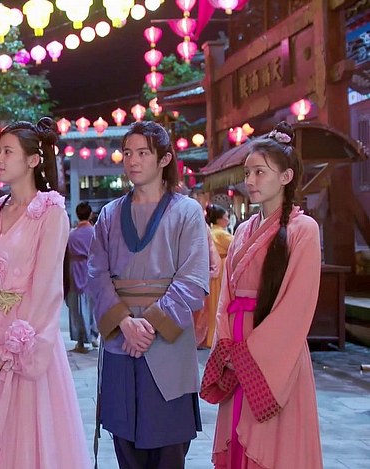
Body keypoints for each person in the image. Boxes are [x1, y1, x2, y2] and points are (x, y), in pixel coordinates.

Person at [0, 118, 91, 469]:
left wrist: (13, 348)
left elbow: (47, 288)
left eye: (8, 152)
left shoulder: (50, 213)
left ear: (33, 160)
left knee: (24, 433)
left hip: (26, 336)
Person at [200, 122, 323, 468]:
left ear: (286, 177)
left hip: (273, 355)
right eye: (247, 173)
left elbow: (296, 305)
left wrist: (249, 356)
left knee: (271, 442)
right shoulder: (242, 230)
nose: (250, 181)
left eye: (259, 172)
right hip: (236, 344)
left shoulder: (303, 229)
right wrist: (226, 345)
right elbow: (225, 295)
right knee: (237, 432)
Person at [88, 121, 208, 469]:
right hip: (120, 340)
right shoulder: (109, 214)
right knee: (125, 445)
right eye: (127, 153)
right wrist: (125, 323)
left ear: (165, 159)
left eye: (143, 153)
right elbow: (96, 275)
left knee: (169, 447)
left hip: (167, 340)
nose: (133, 161)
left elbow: (192, 279)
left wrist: (149, 325)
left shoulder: (187, 211)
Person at [65, 201, 100, 353]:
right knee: (93, 305)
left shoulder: (71, 234)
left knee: (76, 308)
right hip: (91, 269)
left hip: (74, 270)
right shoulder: (95, 232)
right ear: (90, 214)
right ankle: (93, 336)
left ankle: (80, 340)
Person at [199, 204, 234, 348]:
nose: (228, 220)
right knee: (219, 304)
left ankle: (209, 336)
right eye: (226, 217)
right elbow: (237, 245)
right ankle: (215, 336)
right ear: (219, 219)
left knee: (211, 305)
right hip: (221, 269)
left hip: (210, 270)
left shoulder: (210, 231)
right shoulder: (221, 234)